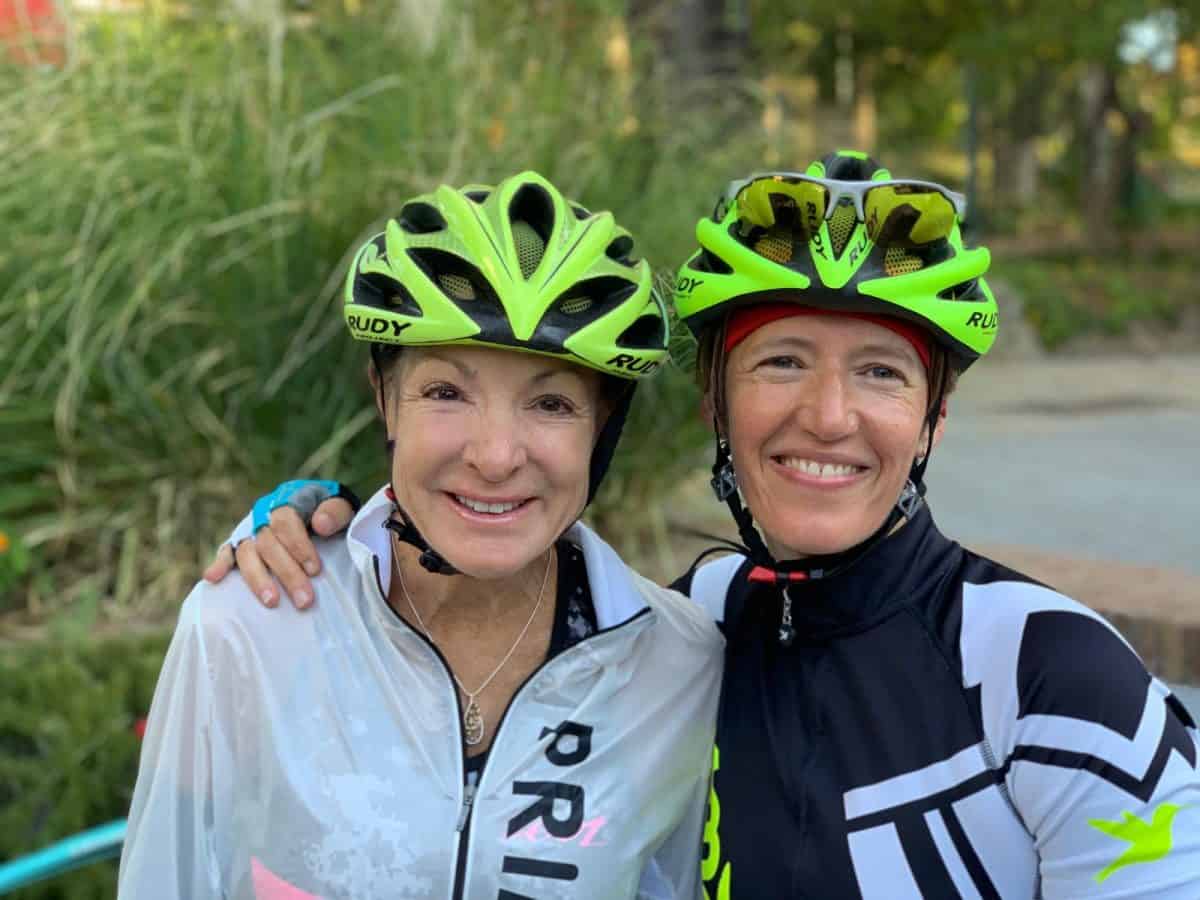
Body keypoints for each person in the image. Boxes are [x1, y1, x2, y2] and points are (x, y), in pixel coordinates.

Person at [212, 152, 1200, 897]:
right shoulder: (691, 628)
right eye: (781, 363)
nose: (827, 414)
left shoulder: (1050, 674)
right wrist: (327, 538)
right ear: (714, 408)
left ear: (933, 419)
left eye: (882, 373)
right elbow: (468, 641)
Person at [119, 172, 724, 899]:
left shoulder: (680, 665)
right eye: (445, 392)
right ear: (386, 400)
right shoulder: (247, 624)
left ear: (603, 428)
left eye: (553, 403)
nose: (496, 455)